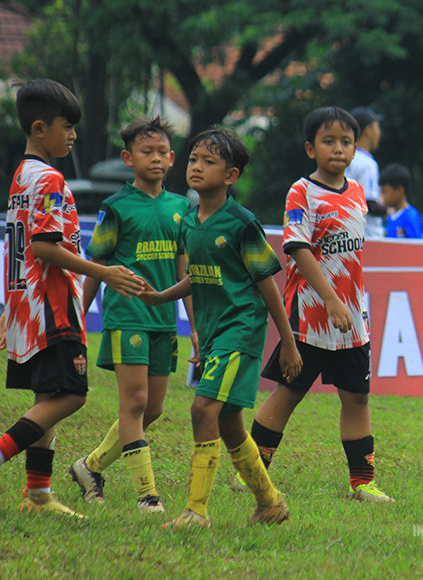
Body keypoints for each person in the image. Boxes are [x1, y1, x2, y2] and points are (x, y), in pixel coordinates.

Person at [139, 126, 302, 528]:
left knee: (202, 408)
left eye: (208, 161)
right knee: (228, 421)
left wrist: (288, 341)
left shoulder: (242, 223)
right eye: (193, 158)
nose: (196, 167)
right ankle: (269, 502)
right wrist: (163, 296)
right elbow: (201, 274)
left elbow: (267, 284)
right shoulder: (190, 220)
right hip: (214, 332)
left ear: (231, 175)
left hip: (240, 329)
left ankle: (196, 511)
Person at [1, 79, 145, 517]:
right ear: (40, 128)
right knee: (70, 396)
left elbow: (17, 249)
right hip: (53, 305)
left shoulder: (21, 175)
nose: (74, 135)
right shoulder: (48, 178)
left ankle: (39, 494)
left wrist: (9, 306)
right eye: (67, 127)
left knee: (47, 394)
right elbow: (45, 247)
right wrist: (105, 272)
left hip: (29, 304)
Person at [241, 106, 395, 503]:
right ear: (311, 148)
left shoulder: (358, 193)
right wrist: (329, 299)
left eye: (346, 142)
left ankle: (362, 484)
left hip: (352, 318)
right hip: (310, 315)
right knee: (289, 393)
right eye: (329, 141)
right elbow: (296, 246)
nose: (338, 149)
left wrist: (346, 304)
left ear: (355, 149)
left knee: (356, 397)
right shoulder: (302, 192)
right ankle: (252, 473)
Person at [68, 117, 194, 513]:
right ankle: (147, 496)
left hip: (163, 322)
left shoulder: (180, 208)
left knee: (153, 409)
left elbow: (184, 272)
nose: (155, 158)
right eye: (146, 151)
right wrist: (79, 317)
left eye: (162, 152)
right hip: (126, 316)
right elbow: (98, 262)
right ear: (128, 158)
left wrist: (198, 327)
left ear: (172, 158)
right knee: (135, 404)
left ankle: (89, 467)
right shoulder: (115, 207)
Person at [345, 106, 386, 238]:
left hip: (344, 234)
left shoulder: (342, 158)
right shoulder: (367, 164)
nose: (379, 132)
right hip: (367, 236)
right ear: (368, 130)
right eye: (377, 127)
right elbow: (369, 204)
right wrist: (387, 209)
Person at [380, 163, 423, 239]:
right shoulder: (390, 217)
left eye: (385, 191)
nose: (382, 196)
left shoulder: (411, 216)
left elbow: (418, 247)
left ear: (399, 190)